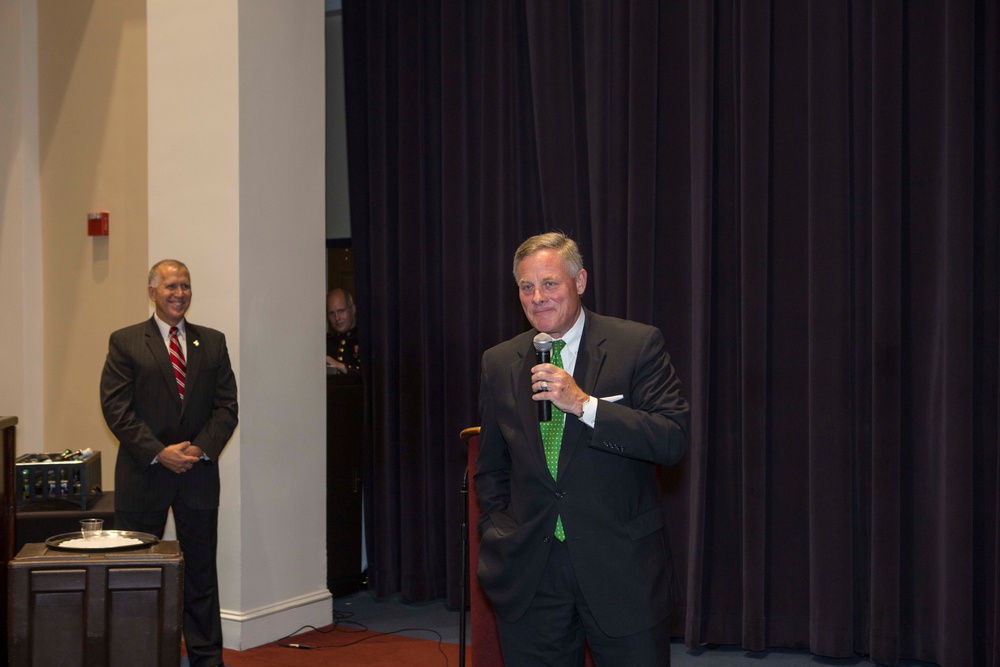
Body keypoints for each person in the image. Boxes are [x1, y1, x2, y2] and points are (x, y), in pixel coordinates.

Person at [475, 232, 690, 666]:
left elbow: (670, 438)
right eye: (526, 287)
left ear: (581, 281)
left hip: (620, 569)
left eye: (550, 283)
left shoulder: (636, 345)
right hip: (531, 572)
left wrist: (584, 405)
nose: (538, 297)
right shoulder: (499, 362)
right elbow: (492, 468)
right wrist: (498, 531)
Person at [100, 259, 238, 667]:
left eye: (186, 286)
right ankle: (137, 656)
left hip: (197, 475)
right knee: (136, 576)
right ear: (152, 291)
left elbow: (226, 408)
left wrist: (196, 450)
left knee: (200, 576)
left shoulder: (211, 341)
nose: (179, 293)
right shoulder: (125, 341)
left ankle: (206, 658)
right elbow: (116, 409)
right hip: (144, 475)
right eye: (171, 286)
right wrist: (161, 453)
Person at [326, 288, 361, 375]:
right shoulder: (325, 342)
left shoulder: (366, 340)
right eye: (332, 313)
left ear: (353, 309)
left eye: (341, 311)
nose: (337, 318)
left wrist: (338, 365)